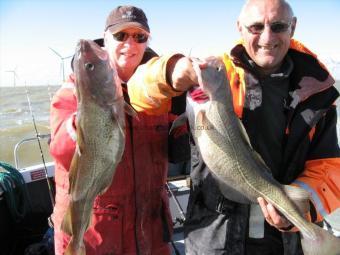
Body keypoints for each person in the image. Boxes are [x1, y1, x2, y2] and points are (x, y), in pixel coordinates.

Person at [127, 0, 340, 254]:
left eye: (278, 26)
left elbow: (328, 169)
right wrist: (170, 71)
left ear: (293, 27)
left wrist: (301, 210)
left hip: (285, 245)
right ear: (239, 27)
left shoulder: (318, 92)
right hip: (214, 239)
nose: (267, 37)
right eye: (256, 27)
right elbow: (138, 92)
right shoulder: (214, 74)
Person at [49, 5, 191, 255]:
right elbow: (61, 150)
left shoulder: (160, 90)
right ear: (105, 39)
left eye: (140, 36)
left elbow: (176, 151)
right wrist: (86, 119)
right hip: (96, 237)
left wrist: (184, 124)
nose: (130, 43)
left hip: (151, 232)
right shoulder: (74, 90)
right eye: (120, 35)